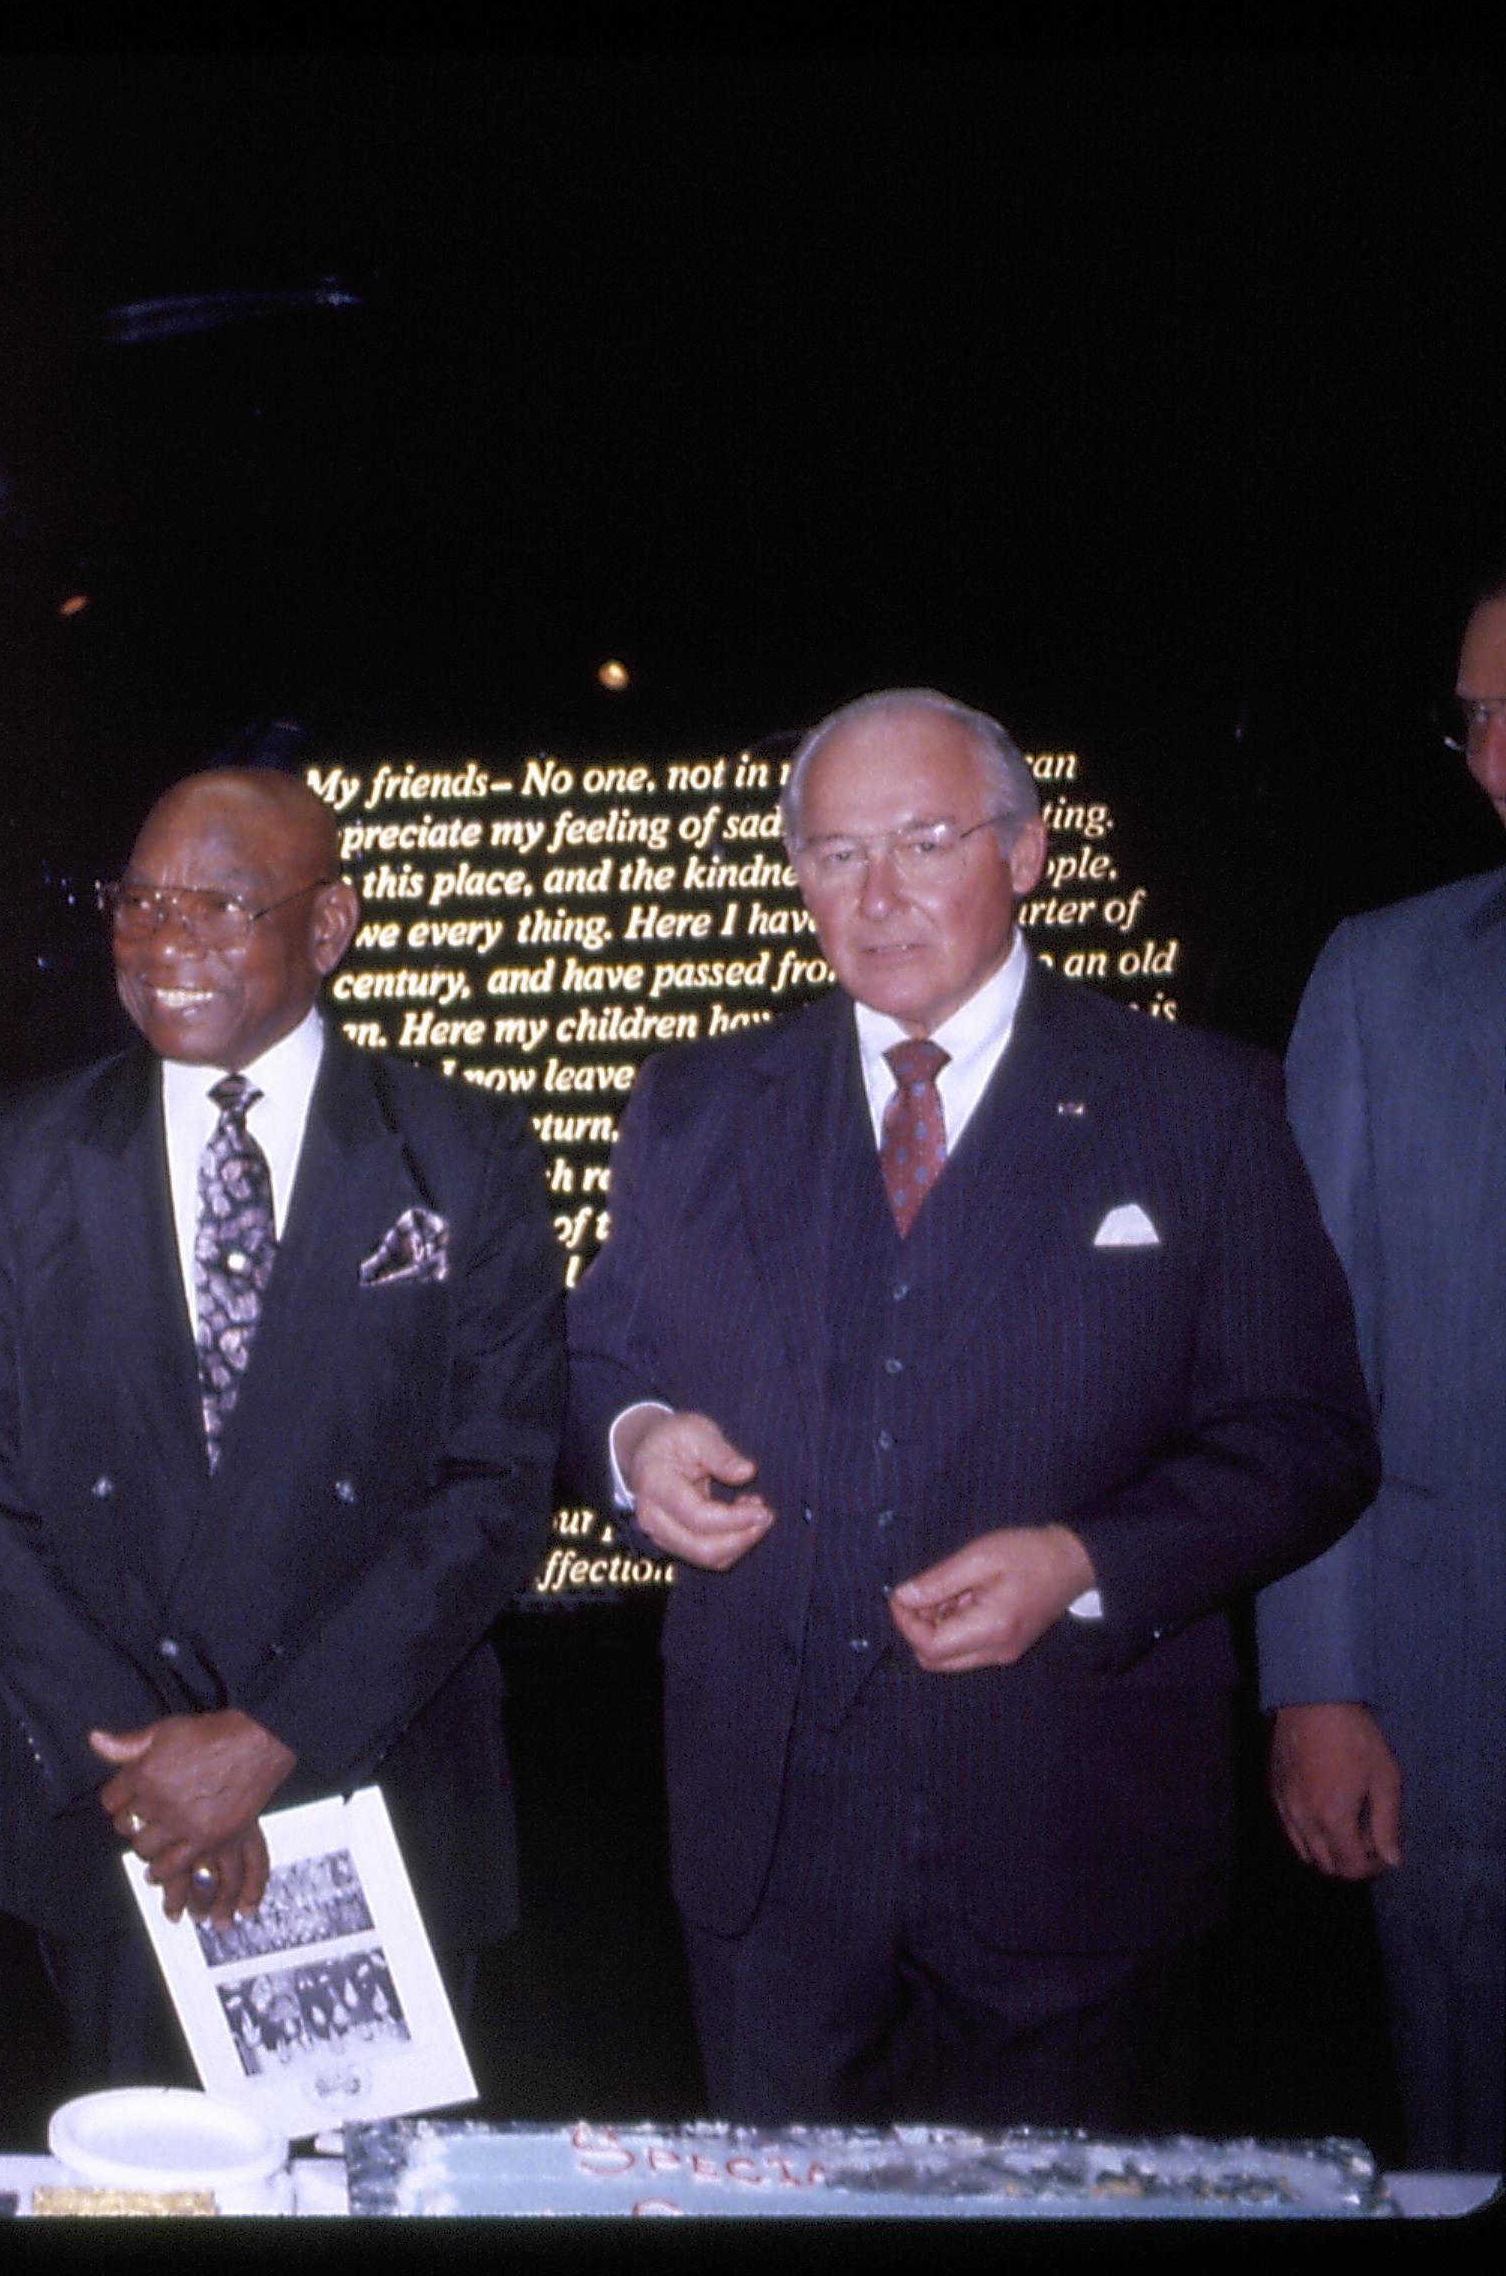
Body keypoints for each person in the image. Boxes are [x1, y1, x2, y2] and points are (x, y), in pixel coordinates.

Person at [566, 686, 1376, 2130]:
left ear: (1026, 852)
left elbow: (1307, 1438)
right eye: (832, 855)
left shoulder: (1202, 1107)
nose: (873, 897)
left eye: (924, 842)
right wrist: (637, 1449)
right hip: (772, 1862)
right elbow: (597, 1362)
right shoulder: (694, 1105)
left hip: (1070, 1837)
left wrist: (1087, 1561)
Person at [0, 767, 563, 2092]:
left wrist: (270, 1741)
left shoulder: (460, 1150)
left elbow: (495, 1484)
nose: (163, 946)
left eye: (219, 906)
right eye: (139, 903)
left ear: (328, 929)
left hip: (371, 1785)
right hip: (114, 1817)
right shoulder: (23, 1150)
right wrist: (149, 1769)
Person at [1255, 574, 1506, 2175]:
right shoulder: (1382, 981)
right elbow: (1307, 1368)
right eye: (1479, 719)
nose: (1494, 761)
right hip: (1465, 1729)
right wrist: (1319, 1682)